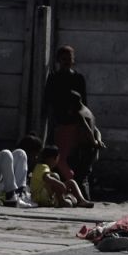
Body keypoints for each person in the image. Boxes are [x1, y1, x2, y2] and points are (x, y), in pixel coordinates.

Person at [42, 46, 91, 183]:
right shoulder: (53, 78)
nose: (67, 62)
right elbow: (48, 100)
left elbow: (84, 104)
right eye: (64, 59)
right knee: (60, 158)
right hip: (59, 124)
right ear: (58, 60)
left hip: (75, 124)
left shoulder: (78, 78)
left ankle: (74, 185)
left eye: (69, 59)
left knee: (74, 158)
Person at [29, 145, 94, 208]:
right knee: (55, 176)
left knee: (71, 185)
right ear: (52, 158)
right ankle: (62, 200)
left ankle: (80, 200)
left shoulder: (41, 167)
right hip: (40, 197)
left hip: (45, 197)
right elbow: (47, 178)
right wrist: (60, 184)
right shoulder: (43, 166)